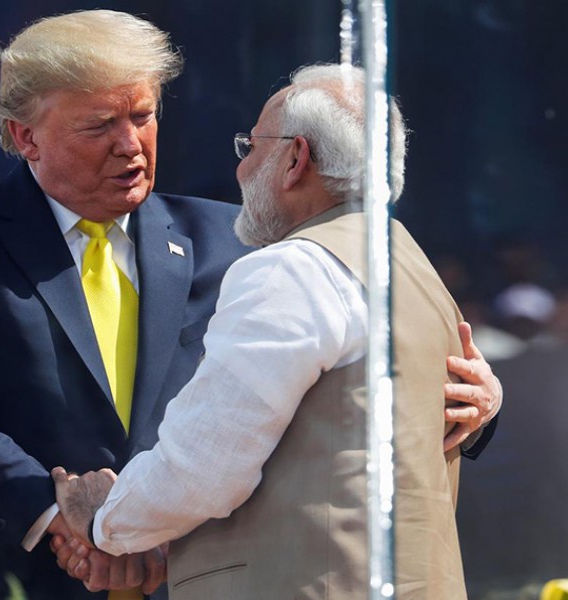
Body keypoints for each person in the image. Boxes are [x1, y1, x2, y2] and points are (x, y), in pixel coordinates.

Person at [0, 11, 500, 600]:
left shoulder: (241, 238)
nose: (131, 144)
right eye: (99, 126)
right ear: (26, 138)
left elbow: (345, 366)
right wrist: (54, 511)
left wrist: (478, 402)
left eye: (143, 115)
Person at [51, 63, 491, 600]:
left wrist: (102, 519)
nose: (240, 172)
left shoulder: (292, 269)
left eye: (251, 148)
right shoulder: (415, 270)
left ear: (294, 159)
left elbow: (204, 469)